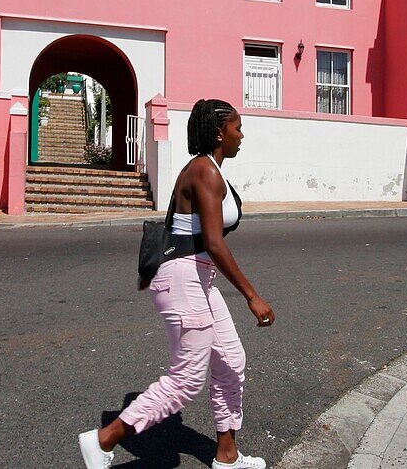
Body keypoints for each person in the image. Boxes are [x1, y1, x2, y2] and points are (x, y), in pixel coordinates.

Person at [79, 99, 275, 469]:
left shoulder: (209, 168)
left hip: (196, 277)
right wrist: (252, 296)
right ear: (220, 132)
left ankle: (227, 457)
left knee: (231, 360)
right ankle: (103, 441)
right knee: (186, 380)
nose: (241, 134)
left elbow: (184, 229)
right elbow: (214, 243)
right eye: (238, 127)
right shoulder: (205, 170)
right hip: (186, 279)